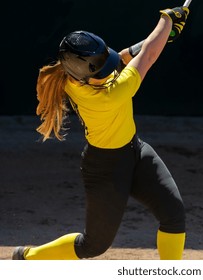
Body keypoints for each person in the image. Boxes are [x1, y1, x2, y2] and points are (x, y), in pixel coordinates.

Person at [12, 6, 190, 260]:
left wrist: (163, 35)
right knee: (92, 246)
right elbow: (148, 55)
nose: (109, 71)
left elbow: (123, 57)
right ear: (84, 76)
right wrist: (167, 20)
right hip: (105, 169)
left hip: (136, 151)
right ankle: (26, 257)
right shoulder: (110, 95)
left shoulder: (73, 77)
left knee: (174, 215)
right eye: (102, 71)